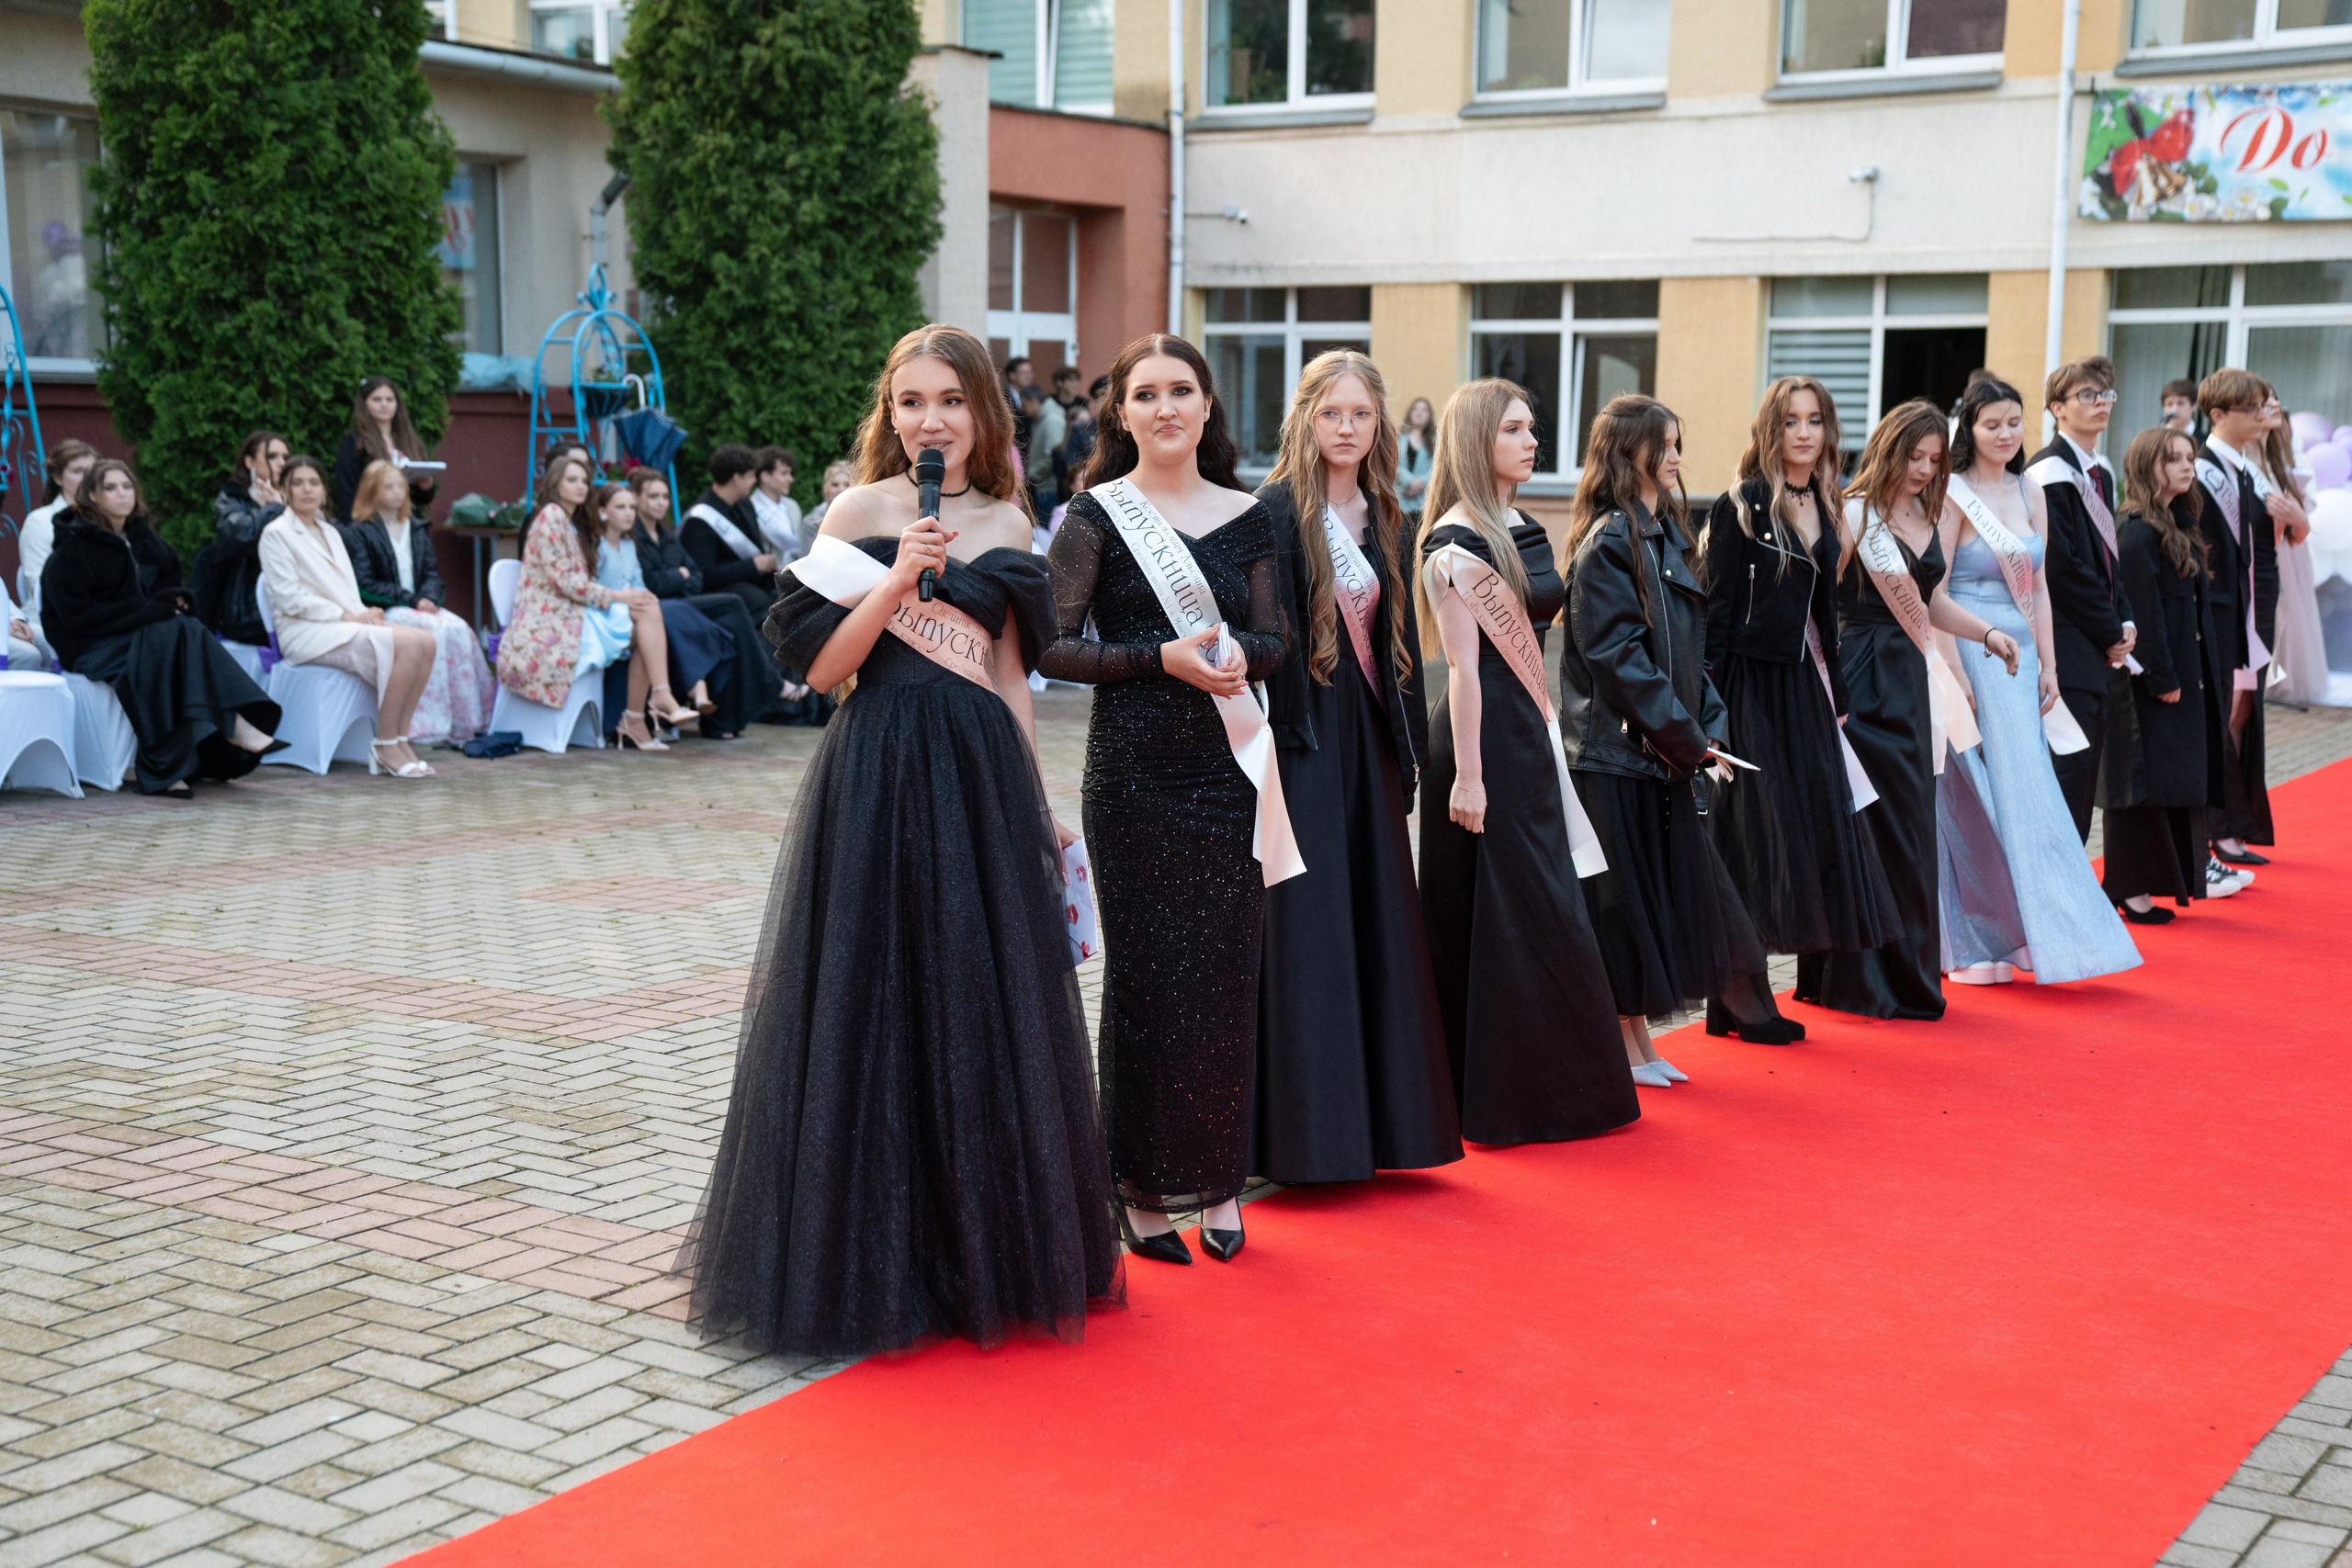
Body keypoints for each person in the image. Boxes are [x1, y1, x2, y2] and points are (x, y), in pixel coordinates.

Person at [682, 322, 1122, 1356]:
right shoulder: (860, 512)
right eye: (912, 401)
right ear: (890, 412)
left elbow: (1010, 673)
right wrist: (893, 581)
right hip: (878, 771)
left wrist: (1034, 800)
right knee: (870, 1001)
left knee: (978, 1002)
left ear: (983, 412)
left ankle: (980, 1257)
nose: (932, 420)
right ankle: (866, 1265)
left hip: (978, 777)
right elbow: (820, 671)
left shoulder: (1011, 520)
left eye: (951, 401)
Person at [1040, 332, 1290, 1265]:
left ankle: (1217, 1180)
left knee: (1225, 980)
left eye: (1180, 389)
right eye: (1144, 393)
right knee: (1147, 981)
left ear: (1207, 405)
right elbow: (1051, 644)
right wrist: (1160, 659)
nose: (1165, 407)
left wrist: (1232, 654)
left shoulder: (1249, 515)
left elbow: (1276, 638)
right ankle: (1139, 1187)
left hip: (1229, 775)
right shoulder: (1096, 515)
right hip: (1134, 778)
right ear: (1122, 413)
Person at [1254, 350, 1460, 1179]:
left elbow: (1399, 647)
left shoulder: (1388, 515)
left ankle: (1385, 1130)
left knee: (1376, 917)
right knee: (1309, 925)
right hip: (1303, 740)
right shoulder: (1272, 510)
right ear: (1306, 418)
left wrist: (1409, 757)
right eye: (1332, 413)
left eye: (1361, 415)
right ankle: (1309, 1138)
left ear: (1380, 425)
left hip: (1369, 739)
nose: (1347, 428)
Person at [1419, 378, 1643, 1128]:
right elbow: (1462, 669)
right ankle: (1503, 1098)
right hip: (1481, 740)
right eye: (1513, 429)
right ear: (1476, 439)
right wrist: (1470, 777)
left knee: (1542, 904)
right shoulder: (1455, 541)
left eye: (1531, 426)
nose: (1532, 439)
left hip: (1526, 729)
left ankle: (1551, 1087)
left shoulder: (1523, 524)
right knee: (1507, 910)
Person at [1561, 394, 1797, 1073]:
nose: (1675, 457)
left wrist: (1707, 728)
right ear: (1626, 451)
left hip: (1655, 754)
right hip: (1615, 756)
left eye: (1676, 444)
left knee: (1645, 909)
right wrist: (1689, 739)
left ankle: (1638, 1044)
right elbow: (1619, 660)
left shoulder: (1662, 532)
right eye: (1662, 445)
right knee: (1623, 911)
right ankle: (1623, 1047)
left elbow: (1690, 654)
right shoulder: (1611, 540)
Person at [1793, 400, 2019, 1021]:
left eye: (1934, 460)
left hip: (1913, 686)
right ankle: (1858, 981)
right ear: (1888, 451)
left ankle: (1908, 976)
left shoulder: (1928, 511)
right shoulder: (1854, 514)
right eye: (1914, 457)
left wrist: (1986, 634)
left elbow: (1930, 600)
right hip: (1864, 684)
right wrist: (1821, 684)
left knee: (1913, 831)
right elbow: (1815, 602)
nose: (1923, 469)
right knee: (1872, 829)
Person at [1937, 376, 2142, 985]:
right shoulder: (1952, 493)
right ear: (1969, 429)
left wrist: (2049, 665)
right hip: (1974, 649)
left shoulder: (2031, 489)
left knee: (2029, 795)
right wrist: (1954, 672)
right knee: (1984, 794)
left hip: (2022, 656)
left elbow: (2042, 584)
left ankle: (2031, 932)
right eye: (1991, 424)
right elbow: (1934, 589)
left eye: (2013, 422)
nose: (2005, 434)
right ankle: (1981, 937)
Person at [1700, 377, 1898, 990]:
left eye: (1814, 420)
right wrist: (1710, 706)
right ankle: (1740, 996)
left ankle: (1776, 988)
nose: (1804, 432)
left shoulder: (1826, 499)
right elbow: (1716, 614)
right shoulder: (1742, 504)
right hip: (1748, 685)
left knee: (1808, 830)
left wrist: (1838, 693)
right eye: (1791, 421)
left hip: (1806, 687)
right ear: (1771, 428)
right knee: (1754, 838)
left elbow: (1825, 611)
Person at [40, 459, 283, 795]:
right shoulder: (74, 547)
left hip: (144, 638)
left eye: (127, 486)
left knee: (180, 635)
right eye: (110, 488)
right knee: (178, 639)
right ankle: (230, 727)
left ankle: (177, 764)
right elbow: (78, 618)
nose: (122, 494)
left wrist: (174, 601)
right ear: (92, 496)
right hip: (92, 647)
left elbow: (166, 590)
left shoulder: (144, 540)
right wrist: (149, 612)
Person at [2101, 425, 2225, 923]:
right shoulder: (2135, 531)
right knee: (2141, 786)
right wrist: (2161, 677)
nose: (2186, 466)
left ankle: (2150, 884)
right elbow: (2143, 616)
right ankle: (2128, 888)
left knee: (2171, 782)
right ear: (2146, 466)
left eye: (2189, 457)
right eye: (2173, 458)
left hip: (2182, 678)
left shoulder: (2178, 521)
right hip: (2151, 684)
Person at [496, 454, 698, 749]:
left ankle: (641, 711)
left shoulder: (569, 522)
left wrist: (629, 596)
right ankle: (652, 702)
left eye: (584, 481)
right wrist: (618, 596)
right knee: (647, 616)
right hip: (552, 622)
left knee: (647, 623)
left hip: (573, 613)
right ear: (555, 483)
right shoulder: (551, 517)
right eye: (572, 480)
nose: (581, 486)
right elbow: (565, 582)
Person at [259, 457, 441, 779]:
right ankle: (385, 743)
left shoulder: (330, 532)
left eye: (314, 483)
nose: (306, 490)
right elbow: (289, 599)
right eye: (297, 483)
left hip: (342, 624)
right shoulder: (276, 534)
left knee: (426, 641)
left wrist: (362, 613)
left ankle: (400, 739)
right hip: (306, 632)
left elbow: (344, 587)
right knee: (408, 646)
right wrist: (347, 615)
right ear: (284, 490)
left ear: (323, 491)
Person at [2026, 356, 2135, 841]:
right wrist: (2111, 629)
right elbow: (2061, 567)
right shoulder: (2048, 472)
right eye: (2087, 395)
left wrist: (2125, 621)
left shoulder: (2099, 473)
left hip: (2097, 644)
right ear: (2057, 408)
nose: (2101, 404)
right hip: (2066, 644)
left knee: (2086, 772)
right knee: (2067, 773)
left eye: (2106, 394)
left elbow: (2109, 558)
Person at [344, 459, 495, 744]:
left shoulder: (415, 526)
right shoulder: (360, 531)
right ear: (371, 490)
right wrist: (413, 600)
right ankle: (429, 723)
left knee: (459, 628)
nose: (397, 492)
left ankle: (469, 719)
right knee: (433, 632)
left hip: (419, 606)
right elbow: (365, 583)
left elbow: (431, 573)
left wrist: (428, 597)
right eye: (388, 486)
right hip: (387, 608)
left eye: (401, 486)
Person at [2194, 368, 2276, 879]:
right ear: (2219, 414)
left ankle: (2226, 826)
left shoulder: (2243, 467)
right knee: (2218, 719)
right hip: (2215, 614)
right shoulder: (2201, 469)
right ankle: (2212, 831)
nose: (2262, 416)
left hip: (2243, 610)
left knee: (2239, 712)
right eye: (2252, 409)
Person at [626, 467, 773, 741]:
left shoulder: (666, 533)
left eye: (664, 497)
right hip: (661, 606)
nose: (661, 503)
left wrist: (679, 578)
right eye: (654, 496)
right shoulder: (634, 536)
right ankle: (765, 684)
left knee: (732, 614)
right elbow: (653, 583)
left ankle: (725, 719)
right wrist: (679, 577)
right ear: (637, 498)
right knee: (728, 615)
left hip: (680, 602)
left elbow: (695, 575)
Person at [587, 480, 729, 734]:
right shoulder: (595, 546)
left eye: (632, 507)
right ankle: (673, 692)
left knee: (655, 612)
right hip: (603, 613)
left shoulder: (629, 545)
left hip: (628, 610)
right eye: (621, 507)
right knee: (658, 615)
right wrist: (629, 597)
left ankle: (644, 711)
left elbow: (639, 583)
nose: (629, 513)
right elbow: (592, 588)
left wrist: (641, 596)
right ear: (602, 512)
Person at [2253, 382, 2326, 705]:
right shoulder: (2243, 461)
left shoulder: (2289, 461)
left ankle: (2282, 681)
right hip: (2259, 553)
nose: (2272, 408)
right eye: (2263, 403)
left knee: (2290, 614)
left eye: (2274, 402)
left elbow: (2302, 526)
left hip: (2286, 549)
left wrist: (2297, 516)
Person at [195, 431, 288, 647]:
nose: (282, 463)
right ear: (250, 462)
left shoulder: (297, 496)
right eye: (272, 456)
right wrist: (275, 507)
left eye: (285, 457)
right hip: (249, 611)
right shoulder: (233, 497)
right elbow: (239, 535)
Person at [15, 438, 96, 626]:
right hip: (53, 621)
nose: (87, 479)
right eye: (78, 471)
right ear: (58, 478)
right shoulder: (39, 521)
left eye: (92, 472)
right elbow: (39, 586)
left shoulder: (108, 519)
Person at [332, 377, 438, 520]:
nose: (384, 405)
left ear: (397, 404)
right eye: (377, 399)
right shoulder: (354, 442)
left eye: (389, 400)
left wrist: (426, 487)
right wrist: (355, 527)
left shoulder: (411, 441)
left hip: (408, 522)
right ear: (364, 404)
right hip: (371, 522)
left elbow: (422, 498)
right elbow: (347, 491)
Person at [749, 446, 807, 565]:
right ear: (765, 476)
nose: (790, 479)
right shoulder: (750, 507)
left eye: (790, 473)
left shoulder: (792, 506)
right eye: (784, 473)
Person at [1396, 396, 1434, 520]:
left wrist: (1421, 482)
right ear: (1410, 413)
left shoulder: (1437, 440)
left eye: (1424, 410)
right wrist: (1410, 481)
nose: (1419, 412)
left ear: (1429, 415)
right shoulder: (1399, 439)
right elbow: (1393, 465)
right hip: (1401, 502)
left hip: (1426, 503)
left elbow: (1440, 467)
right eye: (1415, 409)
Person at [801, 459, 855, 533]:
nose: (841, 490)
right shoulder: (812, 521)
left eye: (847, 484)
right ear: (826, 488)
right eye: (835, 485)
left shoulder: (864, 517)